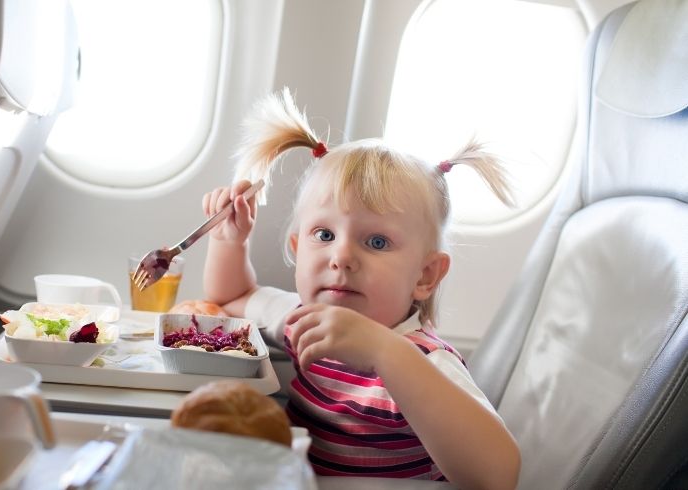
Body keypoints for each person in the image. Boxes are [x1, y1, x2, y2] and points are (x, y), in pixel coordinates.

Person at [201, 88, 521, 489]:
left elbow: (497, 476)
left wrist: (383, 352)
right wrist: (229, 241)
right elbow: (232, 298)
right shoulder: (306, 320)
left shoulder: (425, 362)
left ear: (425, 276)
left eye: (376, 242)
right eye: (324, 233)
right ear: (298, 248)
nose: (342, 257)